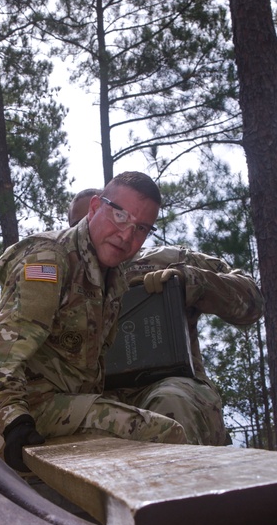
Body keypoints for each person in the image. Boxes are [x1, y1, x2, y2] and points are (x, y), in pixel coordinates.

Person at [0, 172, 189, 473]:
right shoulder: (49, 261)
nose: (126, 235)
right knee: (164, 434)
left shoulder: (112, 277)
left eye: (141, 228)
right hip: (4, 413)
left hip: (55, 403)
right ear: (94, 207)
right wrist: (13, 424)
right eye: (120, 216)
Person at [69, 190, 265, 446]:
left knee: (170, 406)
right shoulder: (61, 280)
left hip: (168, 388)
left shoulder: (166, 260)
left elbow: (252, 301)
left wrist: (191, 282)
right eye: (80, 224)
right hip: (95, 404)